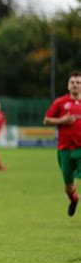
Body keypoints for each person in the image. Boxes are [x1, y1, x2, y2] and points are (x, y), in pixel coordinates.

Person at [44, 71, 81, 217]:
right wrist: (62, 121)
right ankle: (74, 200)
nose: (75, 85)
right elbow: (46, 120)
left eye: (78, 83)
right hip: (64, 149)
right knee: (69, 187)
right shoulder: (60, 102)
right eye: (73, 82)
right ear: (68, 85)